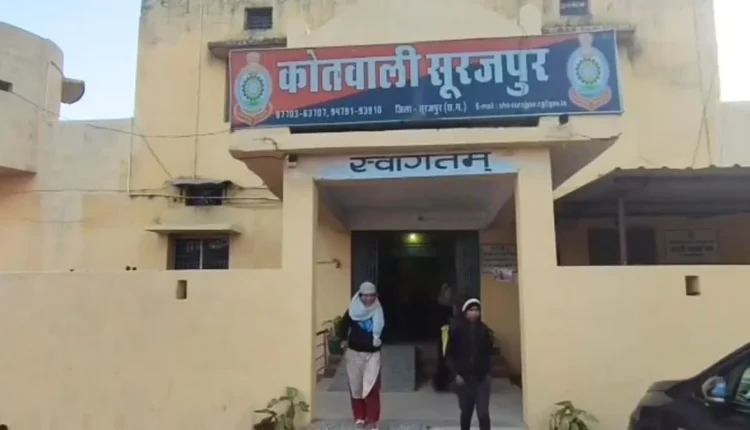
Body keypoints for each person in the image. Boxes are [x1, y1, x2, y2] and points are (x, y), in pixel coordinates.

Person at [337, 281, 385, 430]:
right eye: (365, 295)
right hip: (354, 353)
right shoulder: (353, 311)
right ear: (360, 295)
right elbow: (343, 327)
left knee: (372, 387)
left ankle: (372, 420)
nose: (369, 299)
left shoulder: (378, 310)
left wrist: (378, 339)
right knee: (356, 386)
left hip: (372, 355)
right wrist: (343, 340)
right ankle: (359, 417)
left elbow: (385, 329)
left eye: (372, 295)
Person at [445, 298, 493, 430]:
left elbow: (489, 353)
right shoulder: (456, 330)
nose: (474, 313)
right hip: (463, 380)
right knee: (466, 413)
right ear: (465, 312)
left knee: (483, 414)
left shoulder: (484, 330)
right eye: (471, 310)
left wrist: (487, 373)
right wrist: (456, 374)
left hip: (481, 379)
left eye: (477, 310)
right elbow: (449, 354)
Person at [433, 283, 456, 391]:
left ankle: (448, 381)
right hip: (443, 334)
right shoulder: (439, 304)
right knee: (443, 358)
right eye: (447, 292)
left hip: (450, 333)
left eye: (450, 292)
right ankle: (440, 383)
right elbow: (437, 320)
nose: (449, 294)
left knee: (449, 357)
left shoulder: (451, 305)